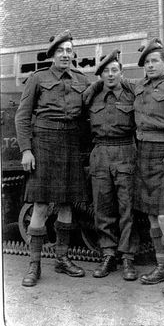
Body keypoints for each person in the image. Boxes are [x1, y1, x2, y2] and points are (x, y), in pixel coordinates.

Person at [84, 38, 164, 295]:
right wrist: (101, 75)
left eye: (155, 61)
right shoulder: (140, 86)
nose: (150, 66)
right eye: (146, 62)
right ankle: (162, 267)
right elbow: (112, 77)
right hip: (144, 155)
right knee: (153, 218)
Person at [15, 30, 90, 287]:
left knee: (68, 204)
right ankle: (34, 265)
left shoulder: (82, 79)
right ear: (53, 55)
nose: (66, 55)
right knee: (41, 205)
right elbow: (22, 116)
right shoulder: (38, 78)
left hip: (71, 142)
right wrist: (26, 149)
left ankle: (62, 258)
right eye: (61, 51)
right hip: (44, 141)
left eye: (69, 51)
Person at [88, 49, 138, 281]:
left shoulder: (132, 93)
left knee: (126, 208)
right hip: (100, 153)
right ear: (100, 75)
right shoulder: (92, 96)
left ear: (121, 72)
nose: (110, 75)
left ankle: (127, 257)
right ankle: (108, 255)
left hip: (125, 150)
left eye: (114, 70)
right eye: (106, 71)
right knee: (103, 207)